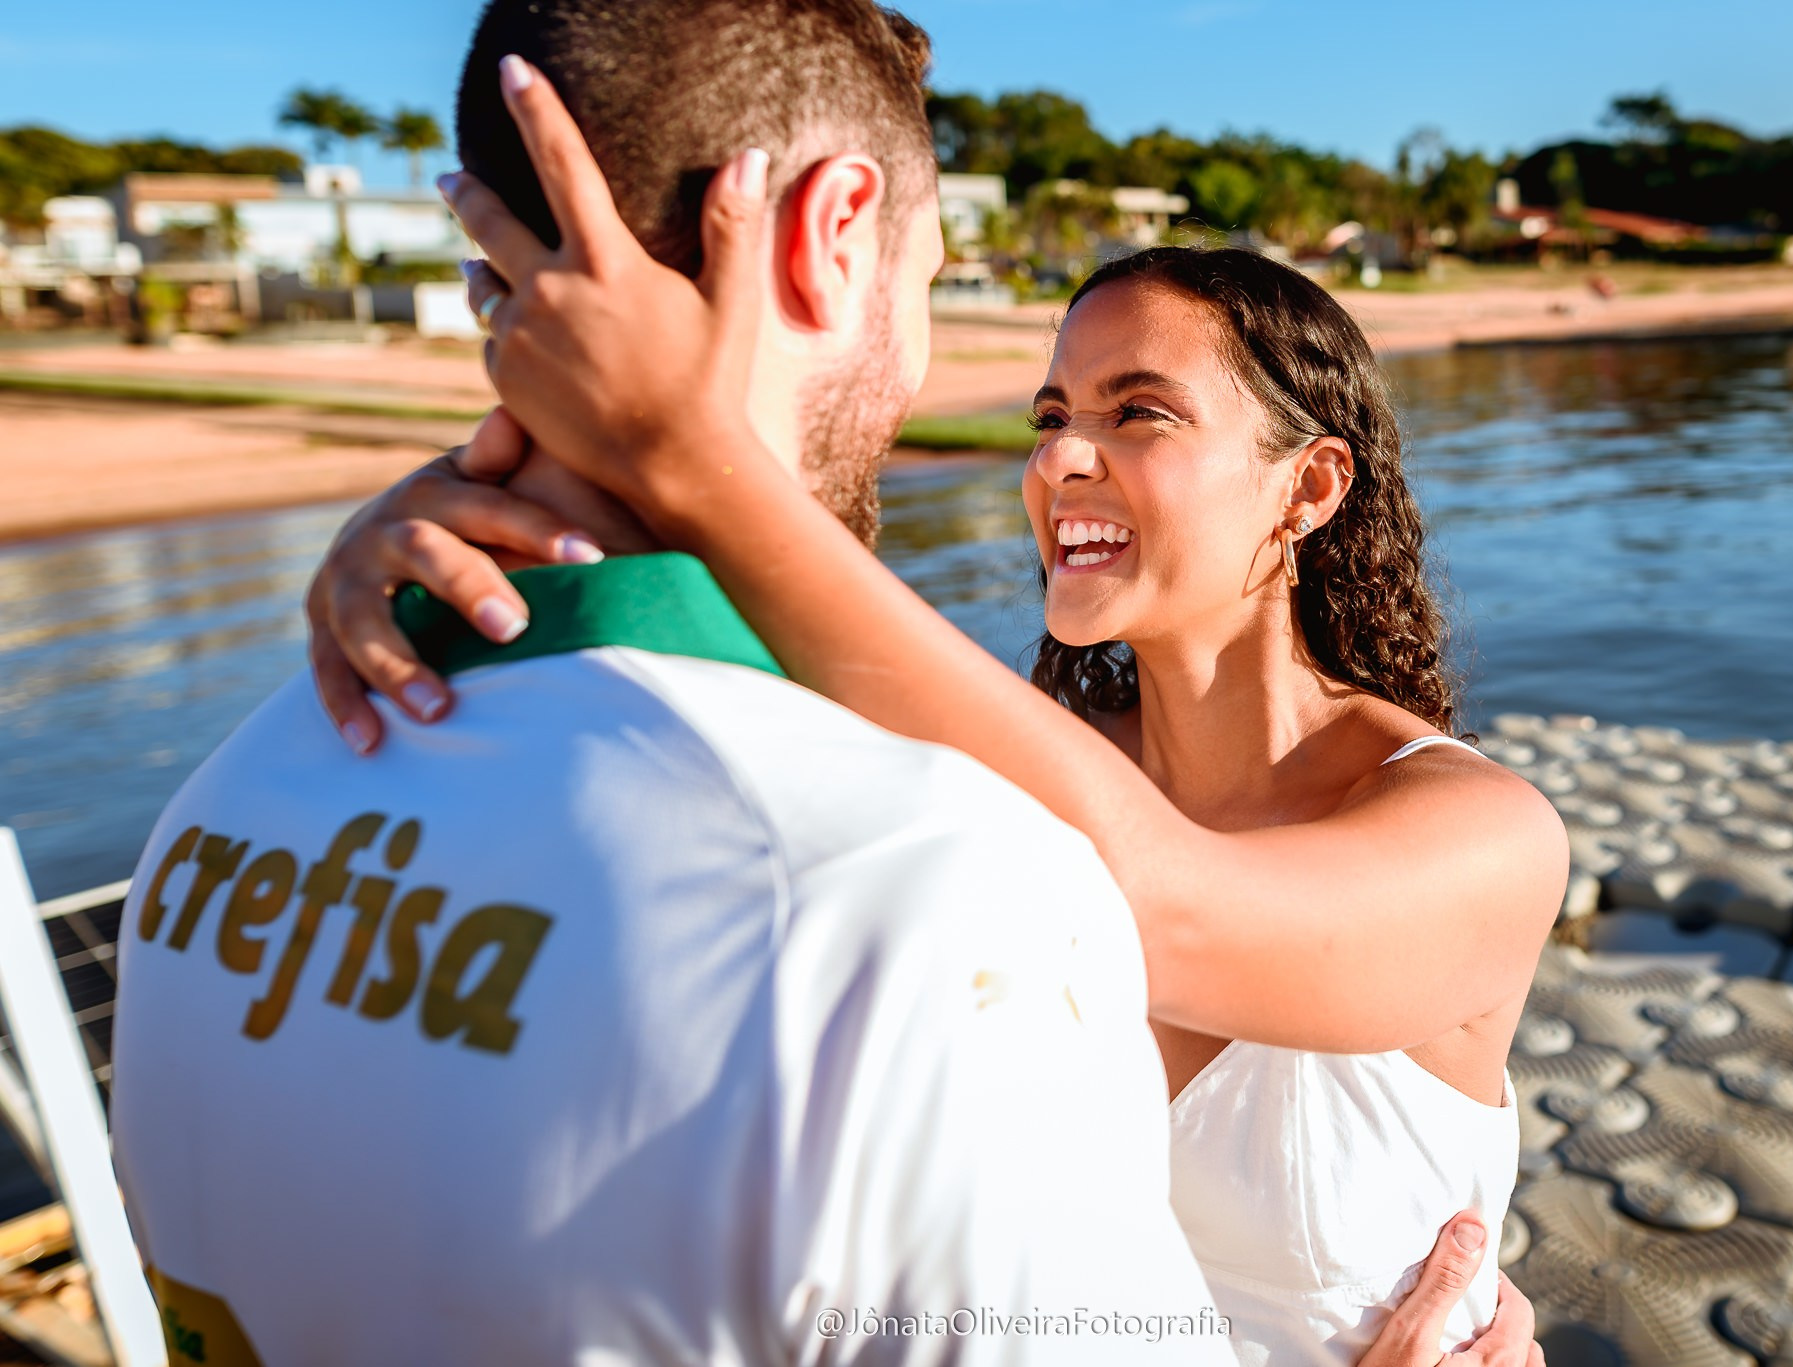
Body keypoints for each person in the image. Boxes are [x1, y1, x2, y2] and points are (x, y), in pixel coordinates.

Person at [112, 2, 1536, 1364]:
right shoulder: (946, 864)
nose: (1056, 459)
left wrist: (649, 474)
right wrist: (518, 505)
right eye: (1049, 414)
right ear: (838, 232)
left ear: (1312, 487)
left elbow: (1157, 895)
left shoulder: (215, 809)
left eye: (1137, 412)